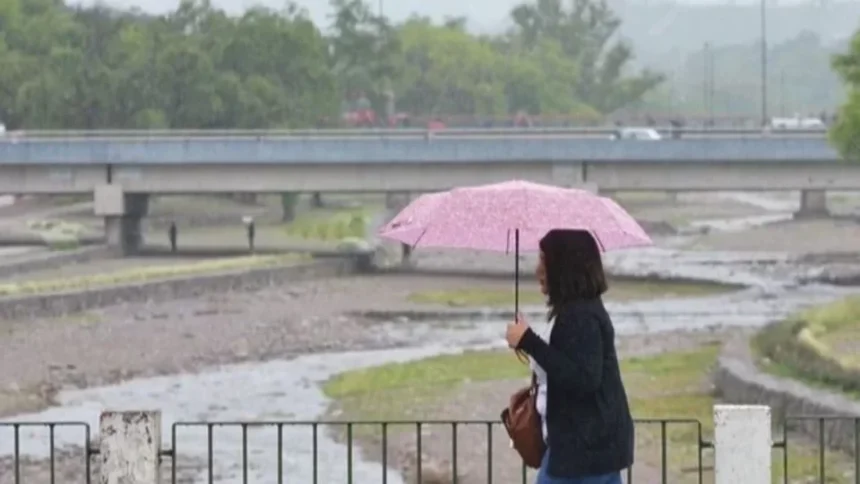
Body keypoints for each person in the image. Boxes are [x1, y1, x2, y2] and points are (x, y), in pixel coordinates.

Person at [505, 229, 634, 484]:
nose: (537, 270)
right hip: (590, 449)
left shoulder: (579, 316)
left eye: (543, 260)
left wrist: (528, 340)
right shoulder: (580, 311)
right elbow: (568, 364)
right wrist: (526, 340)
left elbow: (584, 378)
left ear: (563, 267)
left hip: (582, 453)